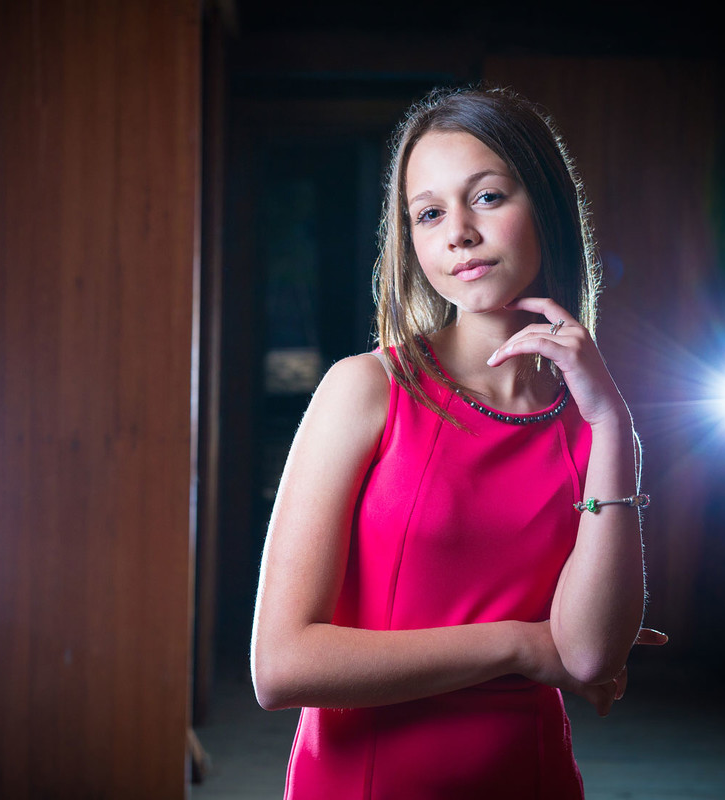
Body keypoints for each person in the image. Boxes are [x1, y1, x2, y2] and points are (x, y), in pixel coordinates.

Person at [250, 86, 665, 799]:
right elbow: (281, 666)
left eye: (489, 198)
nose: (458, 233)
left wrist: (613, 429)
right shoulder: (366, 389)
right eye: (430, 213)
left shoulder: (594, 424)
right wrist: (523, 645)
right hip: (366, 780)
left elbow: (592, 655)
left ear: (547, 207)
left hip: (528, 776)